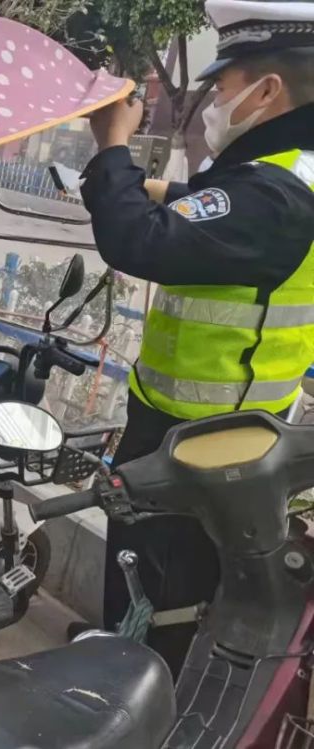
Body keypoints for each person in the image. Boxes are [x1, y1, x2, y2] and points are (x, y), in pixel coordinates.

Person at [78, 0, 314, 676]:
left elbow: (138, 241)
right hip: (215, 437)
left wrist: (111, 144)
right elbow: (210, 219)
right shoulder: (283, 174)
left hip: (200, 452)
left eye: (224, 83)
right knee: (148, 586)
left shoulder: (276, 195)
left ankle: (131, 698)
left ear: (267, 91)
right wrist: (146, 187)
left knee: (159, 600)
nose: (213, 97)